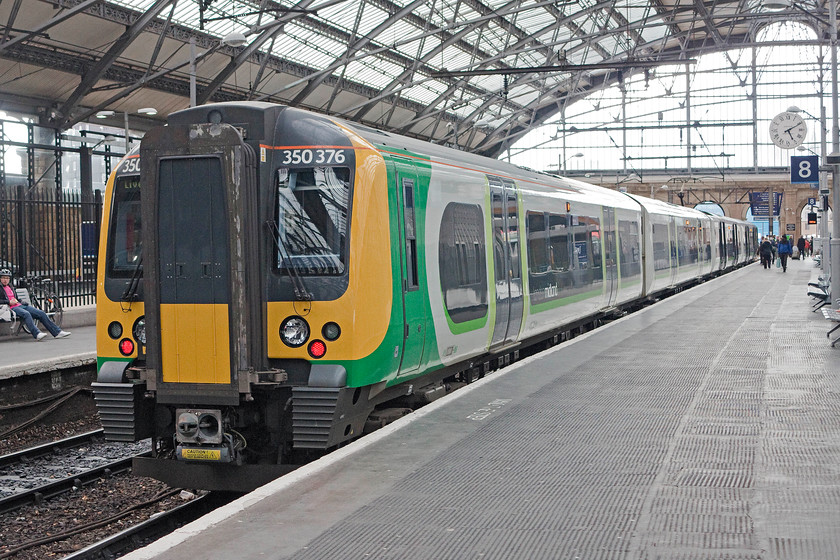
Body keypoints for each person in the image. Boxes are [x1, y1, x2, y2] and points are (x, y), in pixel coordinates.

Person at [0, 269, 70, 341]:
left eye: (7, 278)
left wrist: (21, 301)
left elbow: (16, 298)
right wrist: (9, 302)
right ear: (0, 278)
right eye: (4, 278)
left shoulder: (10, 287)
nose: (6, 280)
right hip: (10, 308)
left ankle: (57, 332)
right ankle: (37, 334)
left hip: (19, 305)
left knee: (41, 313)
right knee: (26, 314)